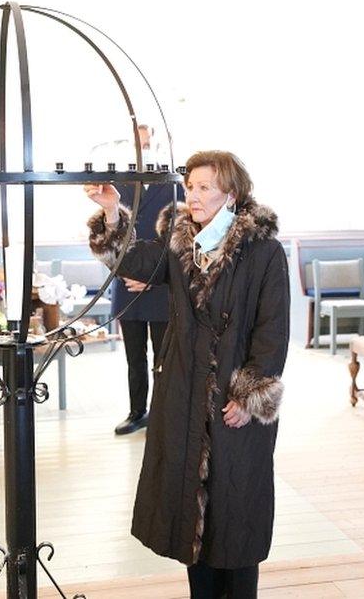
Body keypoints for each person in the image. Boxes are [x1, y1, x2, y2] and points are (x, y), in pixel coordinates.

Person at [86, 150, 289, 598]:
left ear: (231, 194)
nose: (192, 197)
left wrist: (249, 395)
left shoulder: (265, 252)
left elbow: (272, 330)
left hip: (233, 404)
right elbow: (134, 262)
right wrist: (110, 210)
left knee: (234, 518)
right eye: (189, 187)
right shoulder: (181, 245)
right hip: (183, 396)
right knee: (191, 524)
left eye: (203, 188)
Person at [110, 124, 184, 435]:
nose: (144, 149)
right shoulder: (116, 185)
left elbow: (180, 241)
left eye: (149, 143)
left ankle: (164, 413)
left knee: (163, 357)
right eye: (138, 143)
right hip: (127, 286)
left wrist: (153, 278)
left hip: (162, 287)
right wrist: (129, 274)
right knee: (134, 357)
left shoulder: (174, 184)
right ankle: (136, 411)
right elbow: (109, 238)